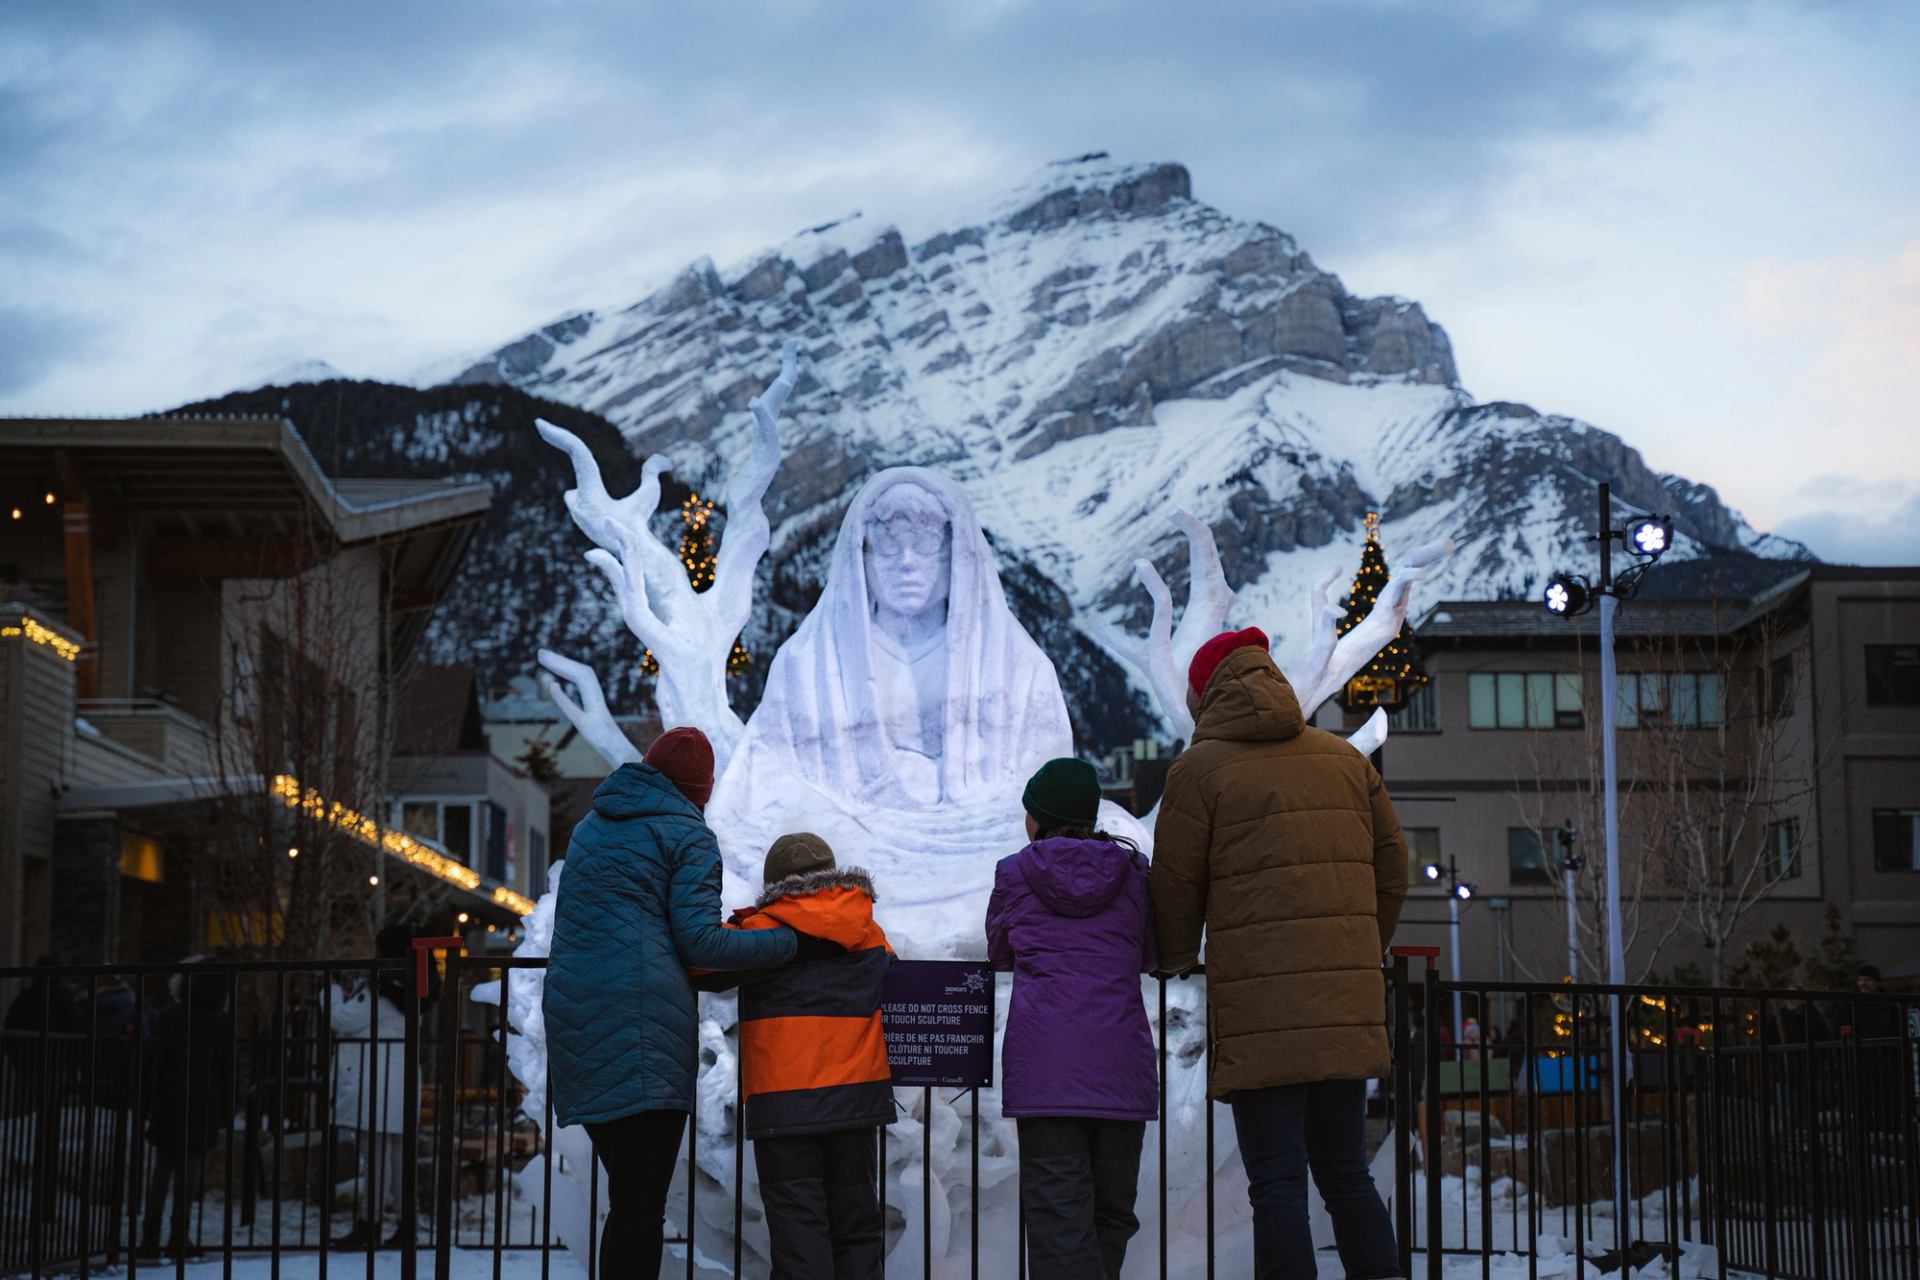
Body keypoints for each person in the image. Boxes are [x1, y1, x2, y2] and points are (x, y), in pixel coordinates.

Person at [1151, 627, 1409, 1280]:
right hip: (1345, 1006)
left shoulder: (1199, 771)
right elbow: (1393, 867)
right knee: (1346, 1173)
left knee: (1277, 1184)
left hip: (1260, 1011)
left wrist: (1178, 957)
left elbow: (1175, 885)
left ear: (1205, 695)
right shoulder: (1345, 760)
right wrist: (1359, 947)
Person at [545, 727, 802, 1276]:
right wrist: (792, 941)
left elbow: (637, 931)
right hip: (642, 1031)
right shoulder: (686, 836)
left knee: (629, 1199)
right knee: (640, 1207)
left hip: (577, 1022)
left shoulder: (592, 827)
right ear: (700, 790)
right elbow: (701, 942)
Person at [987, 757, 1157, 1280]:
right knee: (1111, 1212)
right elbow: (1149, 955)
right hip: (1121, 1065)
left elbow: (999, 951)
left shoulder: (1016, 872)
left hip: (1048, 1068)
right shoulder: (1132, 874)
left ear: (1038, 817)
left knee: (1059, 1214)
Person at [697, 832, 893, 1279]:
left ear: (775, 884)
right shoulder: (867, 930)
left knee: (799, 1234)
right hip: (856, 1099)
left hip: (786, 1102)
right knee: (858, 1227)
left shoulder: (761, 932)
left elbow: (701, 963)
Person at [328, 925, 417, 1249]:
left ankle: (370, 1224)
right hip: (398, 1079)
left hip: (375, 1081)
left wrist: (332, 990)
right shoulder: (411, 986)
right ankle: (404, 1224)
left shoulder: (380, 988)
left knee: (376, 1157)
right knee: (394, 1156)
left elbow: (342, 1020)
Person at [138, 958, 234, 1259]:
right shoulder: (220, 1022)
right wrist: (225, 1112)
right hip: (202, 1103)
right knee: (189, 1172)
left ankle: (150, 1234)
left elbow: (152, 1060)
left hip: (168, 1099)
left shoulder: (171, 1016)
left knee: (162, 1168)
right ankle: (180, 1234)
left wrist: (144, 1104)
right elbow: (227, 1070)